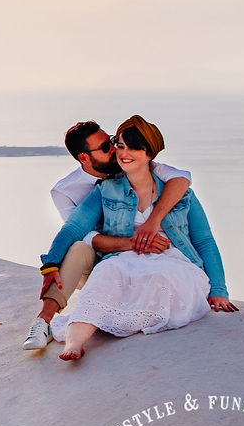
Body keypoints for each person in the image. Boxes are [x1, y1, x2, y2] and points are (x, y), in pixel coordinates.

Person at [39, 115, 237, 364]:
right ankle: (74, 341)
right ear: (85, 157)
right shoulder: (105, 189)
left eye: (133, 147)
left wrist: (219, 290)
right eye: (120, 146)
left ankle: (125, 318)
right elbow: (73, 229)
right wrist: (50, 264)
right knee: (107, 272)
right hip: (122, 257)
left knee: (160, 276)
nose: (122, 153)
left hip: (173, 260)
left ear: (149, 154)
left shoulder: (180, 192)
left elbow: (205, 240)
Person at [21, 121, 191, 351]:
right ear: (84, 158)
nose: (115, 150)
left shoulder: (126, 163)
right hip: (96, 263)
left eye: (112, 142)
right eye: (105, 148)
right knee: (79, 248)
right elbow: (80, 233)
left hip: (139, 259)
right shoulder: (64, 191)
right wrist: (50, 263)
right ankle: (43, 322)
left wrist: (153, 222)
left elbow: (181, 178)